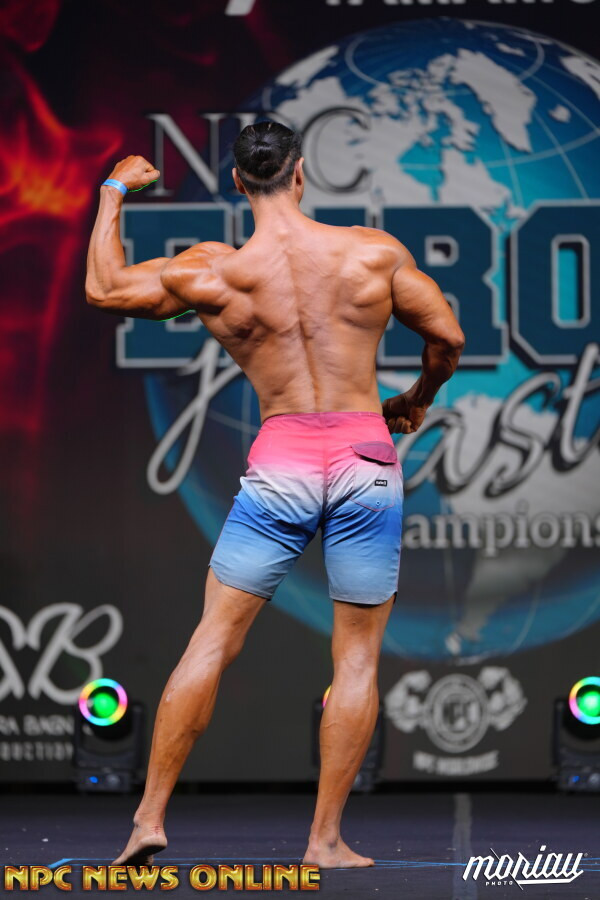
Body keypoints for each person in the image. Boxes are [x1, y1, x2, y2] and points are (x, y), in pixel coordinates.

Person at [85, 121, 464, 869]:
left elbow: (104, 288)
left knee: (212, 640)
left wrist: (113, 190)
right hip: (364, 457)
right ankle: (323, 841)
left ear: (237, 184)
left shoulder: (213, 272)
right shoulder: (372, 253)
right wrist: (416, 398)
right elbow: (447, 337)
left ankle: (148, 820)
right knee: (355, 659)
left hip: (282, 461)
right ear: (300, 174)